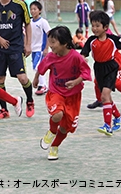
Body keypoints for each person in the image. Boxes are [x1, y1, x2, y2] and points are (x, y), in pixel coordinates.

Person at [33, 26, 91, 160]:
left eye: (53, 42)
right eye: (49, 42)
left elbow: (85, 72)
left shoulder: (76, 57)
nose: (50, 45)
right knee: (57, 115)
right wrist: (36, 78)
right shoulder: (51, 57)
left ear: (64, 43)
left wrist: (76, 81)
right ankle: (52, 131)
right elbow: (42, 67)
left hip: (73, 96)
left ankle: (54, 146)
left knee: (65, 128)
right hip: (56, 92)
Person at [81, 11, 121, 136]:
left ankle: (108, 126)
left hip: (111, 68)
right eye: (93, 25)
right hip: (98, 69)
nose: (94, 28)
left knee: (105, 95)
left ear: (105, 27)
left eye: (97, 26)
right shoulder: (91, 40)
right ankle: (117, 116)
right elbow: (83, 53)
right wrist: (83, 58)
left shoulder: (113, 40)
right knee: (106, 98)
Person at [0, 0, 35, 119]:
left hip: (16, 47)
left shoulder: (20, 5)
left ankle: (30, 101)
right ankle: (4, 110)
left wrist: (28, 44)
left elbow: (27, 24)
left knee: (22, 78)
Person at [30, 1, 51, 96]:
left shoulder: (43, 22)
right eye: (31, 9)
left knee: (39, 66)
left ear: (40, 10)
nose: (32, 11)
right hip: (33, 49)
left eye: (35, 9)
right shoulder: (29, 22)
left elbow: (49, 35)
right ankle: (41, 84)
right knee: (35, 67)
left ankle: (43, 85)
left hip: (41, 49)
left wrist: (46, 48)